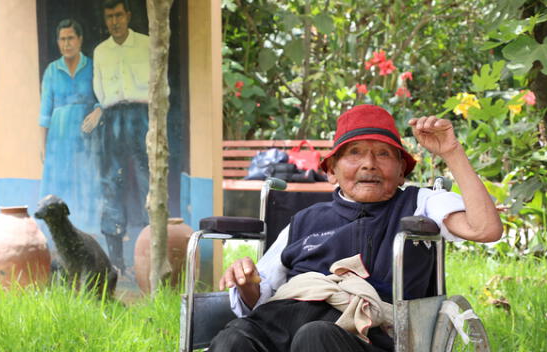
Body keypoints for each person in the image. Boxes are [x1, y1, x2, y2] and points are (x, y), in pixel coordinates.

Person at [210, 104, 503, 351]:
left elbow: (485, 229)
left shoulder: (420, 203)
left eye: (384, 154)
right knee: (234, 337)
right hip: (282, 319)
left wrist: (452, 152)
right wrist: (247, 282)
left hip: (365, 333)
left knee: (315, 336)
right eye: (355, 153)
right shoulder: (304, 220)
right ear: (331, 171)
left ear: (402, 171)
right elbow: (258, 299)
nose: (369, 164)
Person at [81, 0, 150, 272]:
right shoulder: (101, 52)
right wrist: (101, 110)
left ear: (128, 16)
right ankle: (116, 263)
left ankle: (147, 259)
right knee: (111, 184)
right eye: (110, 16)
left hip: (142, 117)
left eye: (119, 15)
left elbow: (161, 88)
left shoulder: (146, 44)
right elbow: (100, 92)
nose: (115, 21)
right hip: (112, 122)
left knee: (147, 183)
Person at [39, 18, 99, 234]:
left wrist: (99, 110)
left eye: (71, 38)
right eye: (62, 39)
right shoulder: (52, 71)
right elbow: (45, 112)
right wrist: (43, 145)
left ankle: (86, 231)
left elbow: (102, 96)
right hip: (59, 136)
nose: (67, 44)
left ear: (80, 39)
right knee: (59, 181)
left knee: (85, 180)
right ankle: (57, 233)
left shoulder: (92, 66)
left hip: (85, 136)